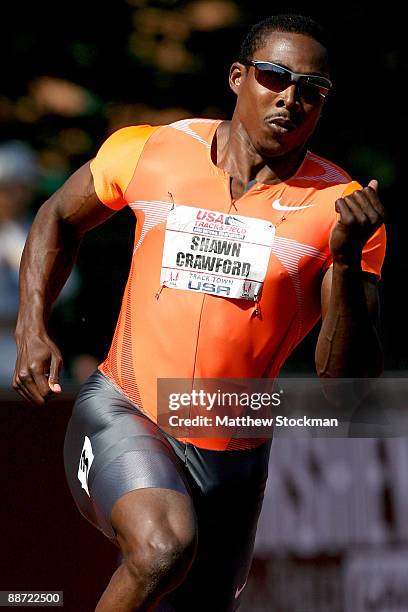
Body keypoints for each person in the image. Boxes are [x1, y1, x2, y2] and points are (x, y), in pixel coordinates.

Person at [13, 14, 386, 612]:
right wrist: (32, 327)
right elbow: (58, 215)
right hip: (127, 410)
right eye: (273, 77)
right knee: (163, 547)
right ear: (238, 78)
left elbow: (345, 385)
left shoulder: (341, 209)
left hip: (233, 456)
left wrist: (343, 265)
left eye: (312, 90)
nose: (291, 99)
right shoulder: (154, 150)